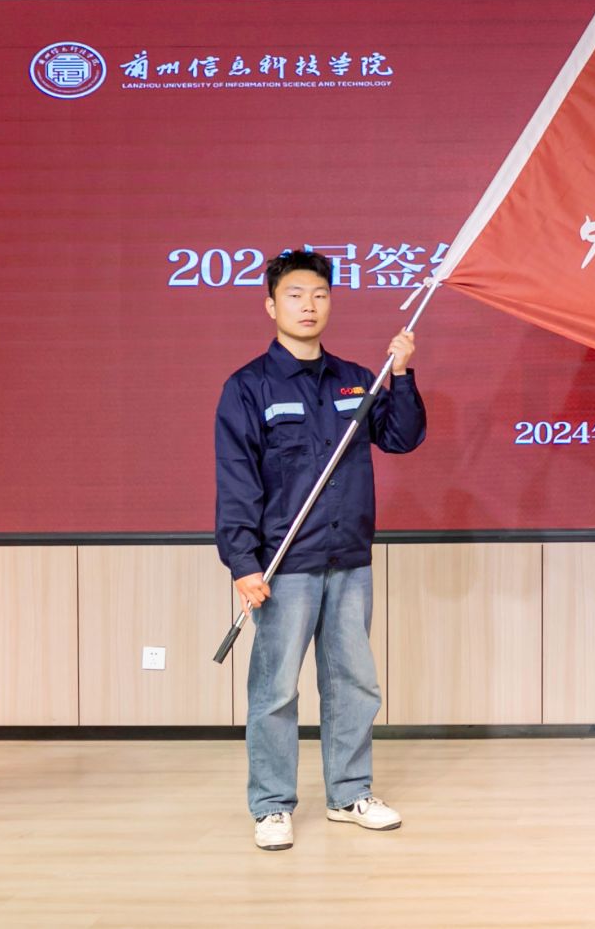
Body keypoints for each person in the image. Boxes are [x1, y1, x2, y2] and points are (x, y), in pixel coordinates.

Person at [214, 248, 426, 852]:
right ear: (271, 306)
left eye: (320, 294)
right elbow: (236, 480)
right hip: (284, 567)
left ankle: (349, 794)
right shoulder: (248, 387)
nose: (309, 305)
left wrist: (402, 374)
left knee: (353, 683)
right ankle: (272, 806)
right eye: (295, 295)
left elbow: (402, 437)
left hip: (349, 559)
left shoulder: (356, 378)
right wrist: (243, 563)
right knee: (276, 691)